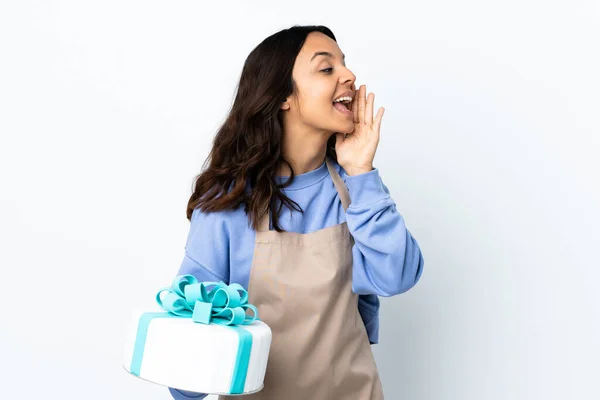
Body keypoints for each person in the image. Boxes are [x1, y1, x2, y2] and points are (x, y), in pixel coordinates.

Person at [168, 25, 424, 400]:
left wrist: (361, 172)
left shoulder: (357, 188)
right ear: (283, 96)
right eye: (326, 69)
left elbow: (396, 278)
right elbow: (185, 381)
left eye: (344, 65)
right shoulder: (229, 205)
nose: (349, 76)